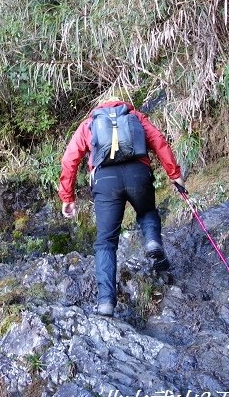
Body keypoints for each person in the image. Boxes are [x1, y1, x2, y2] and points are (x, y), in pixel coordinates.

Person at [58, 94, 185, 317]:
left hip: (105, 181)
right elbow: (159, 141)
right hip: (138, 174)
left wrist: (67, 198)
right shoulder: (135, 116)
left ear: (100, 107)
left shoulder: (89, 124)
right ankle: (153, 242)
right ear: (121, 105)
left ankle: (106, 302)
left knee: (106, 242)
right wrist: (174, 175)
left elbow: (70, 159)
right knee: (147, 212)